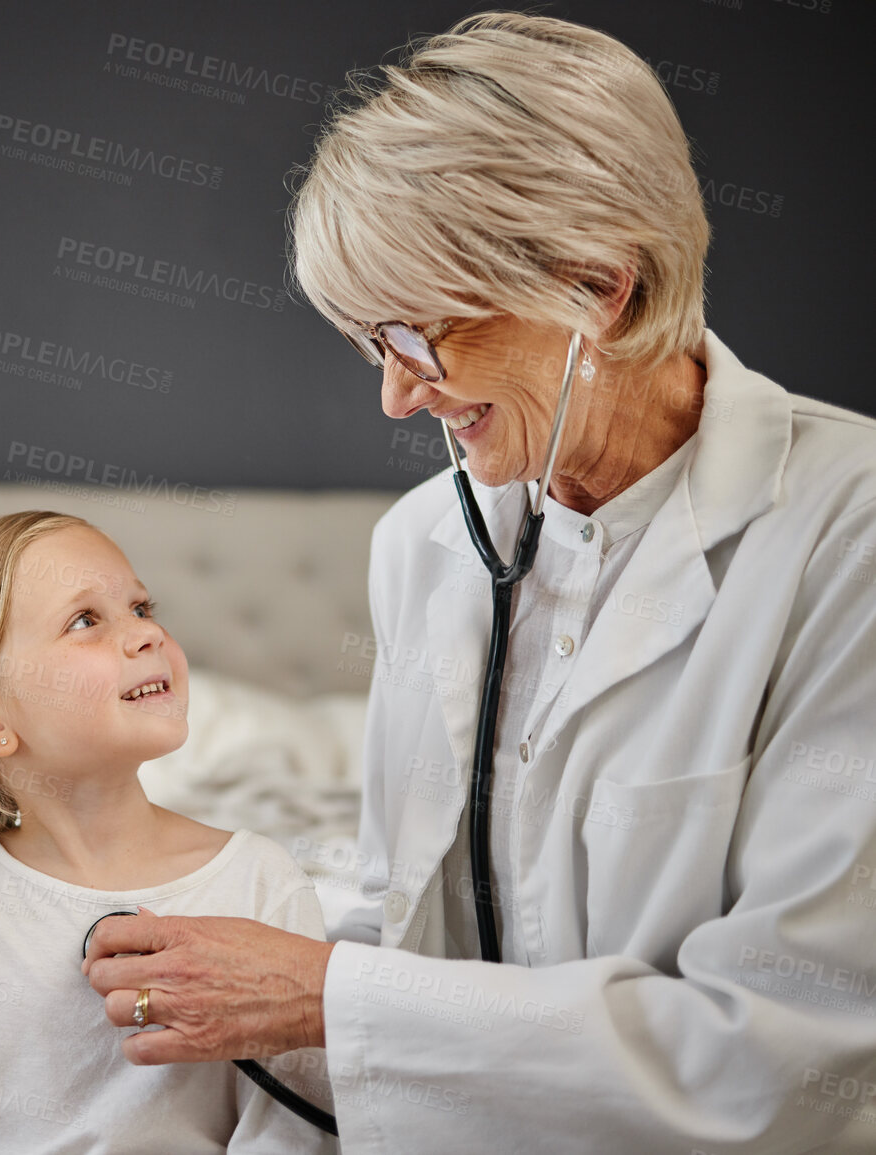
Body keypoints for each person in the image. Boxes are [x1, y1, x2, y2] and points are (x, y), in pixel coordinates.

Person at [82, 11, 876, 1152]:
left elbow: (786, 1064)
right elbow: (407, 928)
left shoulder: (847, 538)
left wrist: (324, 995)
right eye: (372, 344)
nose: (399, 400)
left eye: (419, 335)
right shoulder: (425, 545)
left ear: (599, 287)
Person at [0, 512, 335, 1153]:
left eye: (141, 606)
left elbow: (298, 1126)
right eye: (84, 620)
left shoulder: (260, 882)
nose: (146, 632)